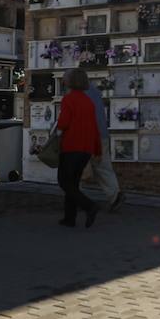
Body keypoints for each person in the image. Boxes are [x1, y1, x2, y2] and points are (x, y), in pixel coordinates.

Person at [54, 68, 101, 228]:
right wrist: (96, 149)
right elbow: (94, 126)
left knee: (64, 181)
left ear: (71, 81)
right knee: (73, 183)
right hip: (85, 148)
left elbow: (64, 123)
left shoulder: (69, 99)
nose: (64, 79)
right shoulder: (88, 101)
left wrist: (56, 134)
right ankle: (69, 218)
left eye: (66, 77)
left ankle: (89, 206)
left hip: (71, 145)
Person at [83, 78, 125, 212]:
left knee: (76, 167)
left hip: (87, 136)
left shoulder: (79, 93)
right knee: (104, 167)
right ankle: (115, 195)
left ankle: (76, 199)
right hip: (102, 134)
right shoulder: (95, 91)